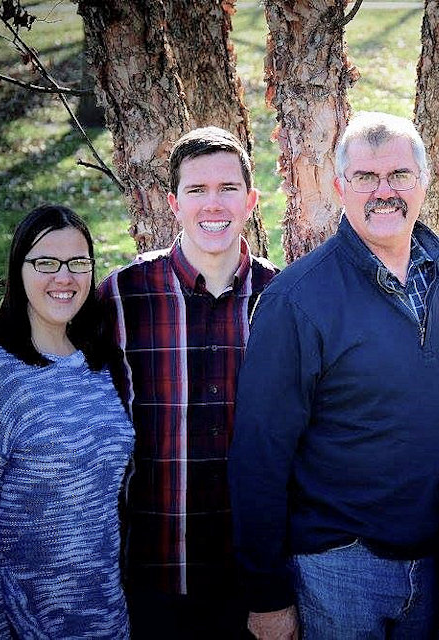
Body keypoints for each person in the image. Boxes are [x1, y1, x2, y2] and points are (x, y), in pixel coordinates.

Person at [230, 111, 439, 639]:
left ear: (424, 182)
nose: (383, 192)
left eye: (399, 176)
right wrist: (267, 596)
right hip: (339, 564)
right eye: (366, 178)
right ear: (341, 187)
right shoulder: (297, 301)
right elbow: (259, 455)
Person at [98, 127, 278, 638]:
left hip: (253, 580)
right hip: (152, 569)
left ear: (251, 200)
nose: (212, 204)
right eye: (197, 191)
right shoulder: (122, 297)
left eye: (227, 188)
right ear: (173, 204)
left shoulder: (283, 299)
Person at [0, 205, 135, 639]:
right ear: (18, 268)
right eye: (46, 262)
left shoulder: (96, 359)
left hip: (96, 609)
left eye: (79, 263)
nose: (65, 277)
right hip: (14, 617)